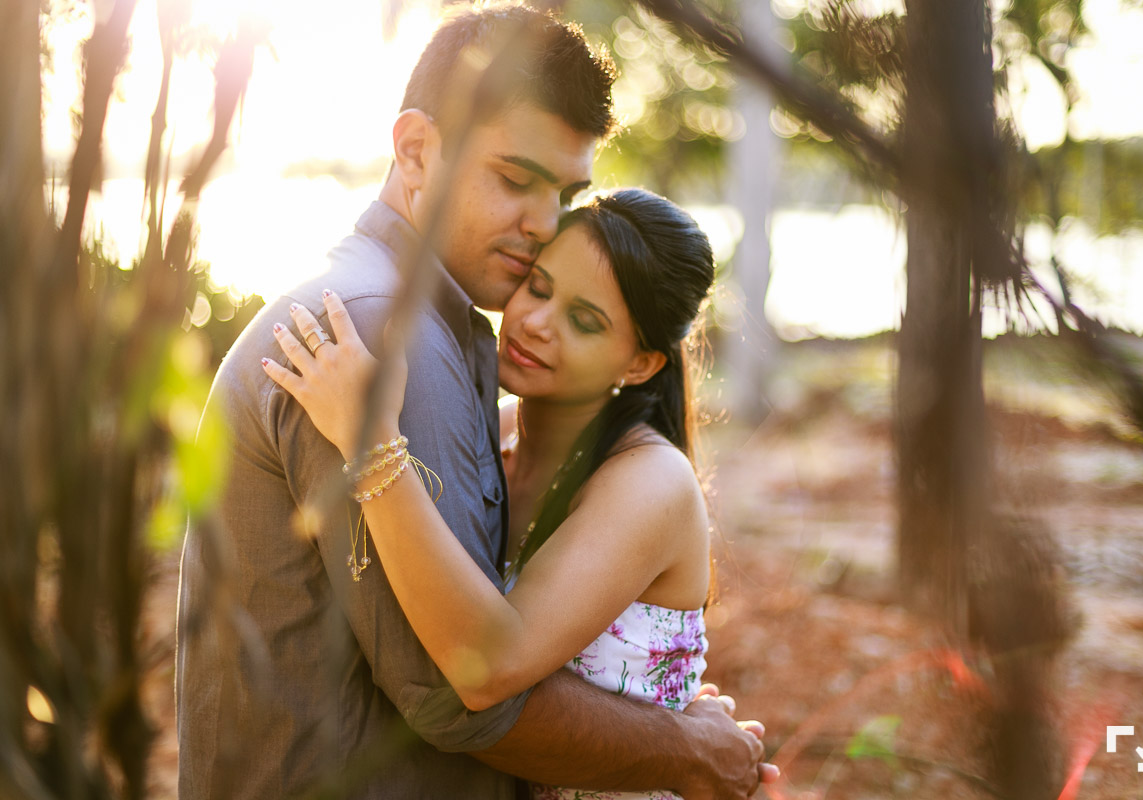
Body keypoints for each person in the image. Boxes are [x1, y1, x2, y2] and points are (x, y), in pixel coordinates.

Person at [176, 4, 770, 799]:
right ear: (416, 150)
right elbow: (460, 692)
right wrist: (685, 747)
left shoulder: (411, 324)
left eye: (563, 192)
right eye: (514, 180)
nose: (542, 223)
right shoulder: (384, 335)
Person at [264, 188, 735, 800]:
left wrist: (370, 442)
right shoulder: (496, 429)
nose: (535, 323)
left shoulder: (651, 480)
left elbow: (489, 668)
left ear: (640, 365)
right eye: (538, 287)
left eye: (584, 321)